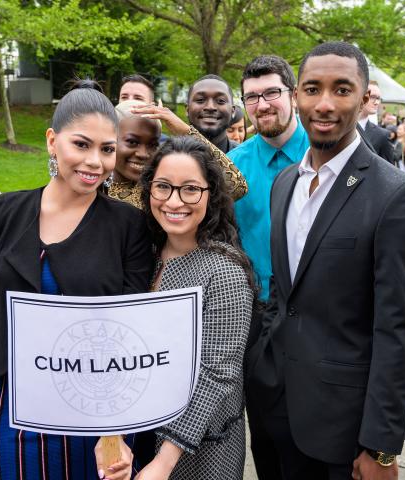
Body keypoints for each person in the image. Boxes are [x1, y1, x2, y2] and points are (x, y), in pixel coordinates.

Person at [246, 41, 405, 480]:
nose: (324, 104)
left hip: (342, 430)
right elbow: (284, 295)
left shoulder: (395, 196)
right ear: (297, 96)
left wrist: (382, 447)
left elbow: (399, 330)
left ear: (364, 97)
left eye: (342, 89)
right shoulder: (285, 184)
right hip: (273, 408)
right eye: (312, 88)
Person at [0, 80, 155, 480]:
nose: (95, 162)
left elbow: (133, 330)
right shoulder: (2, 213)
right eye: (81, 145)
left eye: (107, 149)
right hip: (18, 409)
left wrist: (116, 429)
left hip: (99, 415)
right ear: (52, 141)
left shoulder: (128, 224)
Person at [135, 136, 254, 480]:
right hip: (144, 430)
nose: (175, 201)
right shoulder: (143, 257)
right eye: (163, 187)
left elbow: (217, 373)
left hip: (202, 447)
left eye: (190, 189)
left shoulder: (224, 271)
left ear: (210, 195)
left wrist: (164, 461)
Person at [227, 54, 310, 480]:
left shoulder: (323, 153)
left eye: (272, 93)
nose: (262, 106)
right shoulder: (234, 166)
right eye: (251, 97)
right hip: (257, 318)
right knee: (266, 437)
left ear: (292, 94)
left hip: (317, 317)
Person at [108, 101, 248, 208]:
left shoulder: (162, 192)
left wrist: (185, 131)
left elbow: (236, 186)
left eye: (153, 145)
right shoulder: (92, 187)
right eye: (132, 142)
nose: (143, 154)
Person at [186, 74, 237, 153]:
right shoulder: (167, 156)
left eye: (220, 101)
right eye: (200, 100)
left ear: (233, 111)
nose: (210, 107)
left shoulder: (247, 158)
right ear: (187, 110)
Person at [358, 81, 394, 163]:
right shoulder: (340, 127)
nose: (377, 102)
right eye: (373, 97)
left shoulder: (382, 135)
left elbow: (387, 170)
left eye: (378, 98)